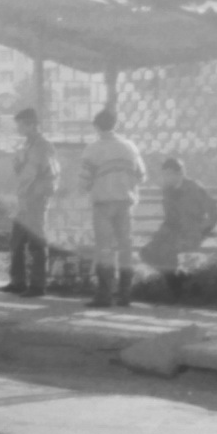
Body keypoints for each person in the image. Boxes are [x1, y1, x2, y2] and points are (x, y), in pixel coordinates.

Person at [79, 108, 146, 308]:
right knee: (125, 248)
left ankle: (104, 295)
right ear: (115, 124)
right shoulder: (130, 147)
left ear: (96, 126)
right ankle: (125, 294)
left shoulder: (93, 149)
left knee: (105, 250)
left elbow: (84, 181)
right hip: (125, 203)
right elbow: (142, 175)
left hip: (103, 204)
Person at [139, 158, 217, 299]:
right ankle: (180, 280)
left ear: (180, 173)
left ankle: (176, 290)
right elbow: (169, 220)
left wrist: (202, 230)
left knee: (168, 252)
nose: (166, 178)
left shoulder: (194, 188)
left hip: (192, 232)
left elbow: (214, 214)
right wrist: (159, 237)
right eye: (164, 174)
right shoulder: (167, 191)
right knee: (146, 253)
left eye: (170, 174)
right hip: (173, 233)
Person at [0, 108, 58, 298]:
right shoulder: (29, 145)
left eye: (21, 124)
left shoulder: (41, 146)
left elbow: (31, 174)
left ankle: (37, 285)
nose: (18, 128)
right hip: (26, 198)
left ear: (32, 124)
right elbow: (23, 171)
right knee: (16, 241)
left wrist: (22, 194)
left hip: (35, 198)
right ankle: (18, 282)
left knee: (36, 242)